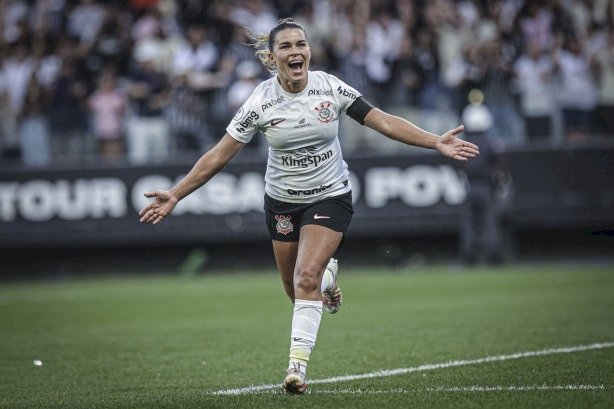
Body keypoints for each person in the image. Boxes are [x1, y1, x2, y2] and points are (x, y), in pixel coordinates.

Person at [138, 18, 479, 394]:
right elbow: (219, 156)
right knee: (297, 288)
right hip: (281, 204)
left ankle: (296, 370)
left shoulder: (330, 87)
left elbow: (382, 121)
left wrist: (435, 142)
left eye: (301, 44)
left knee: (305, 279)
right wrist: (176, 194)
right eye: (286, 46)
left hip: (330, 196)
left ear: (309, 51)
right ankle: (329, 280)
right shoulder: (260, 102)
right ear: (272, 57)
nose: (296, 51)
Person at [457, 93, 508, 266]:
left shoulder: (462, 144)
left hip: (470, 187)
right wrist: (500, 184)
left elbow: (458, 167)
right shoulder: (492, 143)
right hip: (487, 188)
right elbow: (501, 167)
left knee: (470, 225)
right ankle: (492, 257)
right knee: (489, 224)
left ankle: (469, 257)